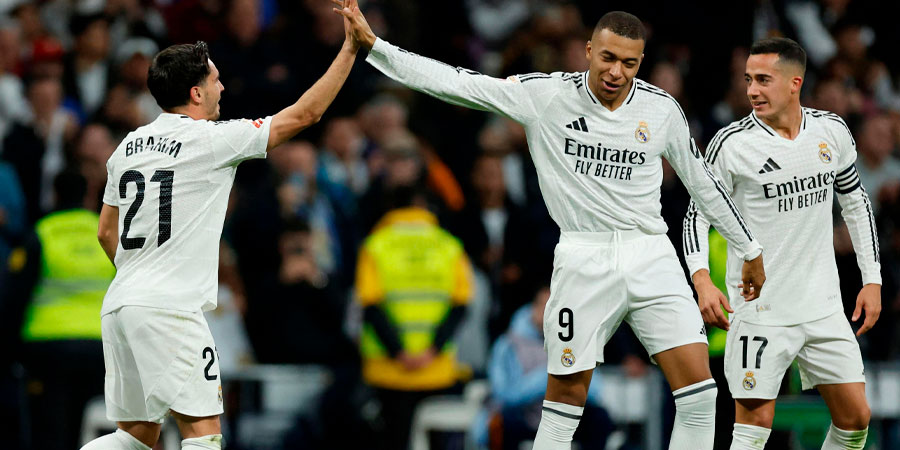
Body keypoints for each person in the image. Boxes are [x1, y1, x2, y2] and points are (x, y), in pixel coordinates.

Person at [335, 4, 766, 449]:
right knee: (564, 404)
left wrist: (749, 248)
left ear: (641, 62)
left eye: (629, 63)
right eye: (607, 58)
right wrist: (377, 48)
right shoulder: (546, 96)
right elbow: (458, 82)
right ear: (588, 50)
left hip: (651, 253)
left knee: (700, 395)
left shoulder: (661, 109)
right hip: (584, 257)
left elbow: (703, 184)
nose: (616, 72)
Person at [81, 4, 363, 449]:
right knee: (204, 434)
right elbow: (304, 115)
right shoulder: (212, 140)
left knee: (134, 437)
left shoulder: (128, 146)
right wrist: (350, 49)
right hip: (169, 307)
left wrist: (141, 277)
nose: (223, 86)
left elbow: (104, 232)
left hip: (122, 304)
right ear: (196, 93)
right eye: (215, 79)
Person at [682, 37, 880, 450]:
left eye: (763, 80)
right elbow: (695, 215)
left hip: (823, 306)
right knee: (755, 425)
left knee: (856, 419)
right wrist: (701, 280)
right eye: (748, 80)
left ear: (794, 83)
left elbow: (856, 204)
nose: (752, 90)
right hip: (761, 311)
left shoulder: (831, 132)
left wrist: (872, 279)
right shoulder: (732, 144)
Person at [354, 185, 473, 450]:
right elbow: (461, 306)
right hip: (436, 369)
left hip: (389, 370)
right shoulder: (449, 246)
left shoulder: (375, 245)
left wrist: (399, 353)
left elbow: (371, 306)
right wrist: (432, 350)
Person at [2, 171, 114, 450]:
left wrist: (10, 352)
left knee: (49, 430)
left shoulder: (42, 233)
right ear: (88, 196)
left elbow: (15, 297)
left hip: (47, 349)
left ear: (54, 195)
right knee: (90, 429)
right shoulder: (105, 233)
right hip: (99, 348)